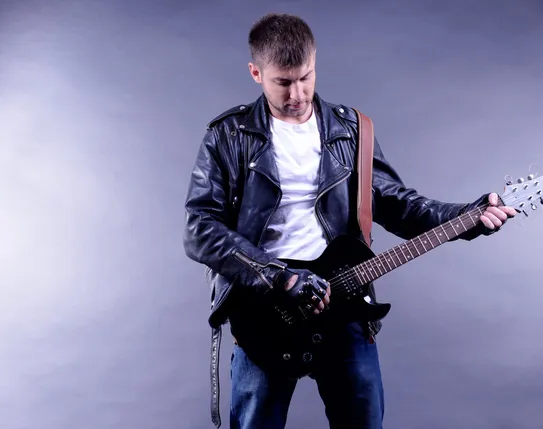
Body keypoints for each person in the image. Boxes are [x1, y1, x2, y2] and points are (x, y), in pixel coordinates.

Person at [183, 13, 516, 429]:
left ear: (315, 63)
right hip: (263, 304)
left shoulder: (352, 130)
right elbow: (199, 229)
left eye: (305, 77)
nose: (297, 94)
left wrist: (466, 217)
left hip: (344, 298)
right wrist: (278, 277)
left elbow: (398, 204)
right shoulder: (228, 135)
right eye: (282, 82)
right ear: (256, 73)